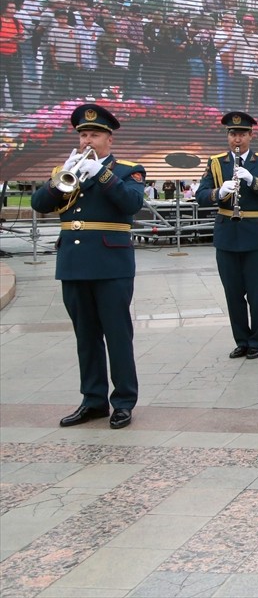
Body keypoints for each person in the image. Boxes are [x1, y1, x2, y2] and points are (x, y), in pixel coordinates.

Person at [31, 104, 144, 429]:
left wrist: (102, 175)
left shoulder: (126, 170)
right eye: (83, 134)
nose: (87, 140)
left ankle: (123, 400)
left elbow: (132, 204)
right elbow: (40, 204)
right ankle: (93, 400)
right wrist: (58, 181)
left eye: (94, 134)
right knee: (86, 335)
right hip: (74, 263)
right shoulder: (67, 170)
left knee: (117, 334)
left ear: (109, 139)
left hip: (111, 264)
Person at [196, 112, 258, 360]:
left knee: (256, 292)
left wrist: (253, 181)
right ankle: (241, 340)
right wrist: (218, 192)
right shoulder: (216, 163)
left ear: (250, 136)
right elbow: (201, 197)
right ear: (228, 136)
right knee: (232, 293)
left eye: (242, 134)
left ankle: (257, 340)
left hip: (255, 235)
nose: (237, 139)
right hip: (227, 234)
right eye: (233, 134)